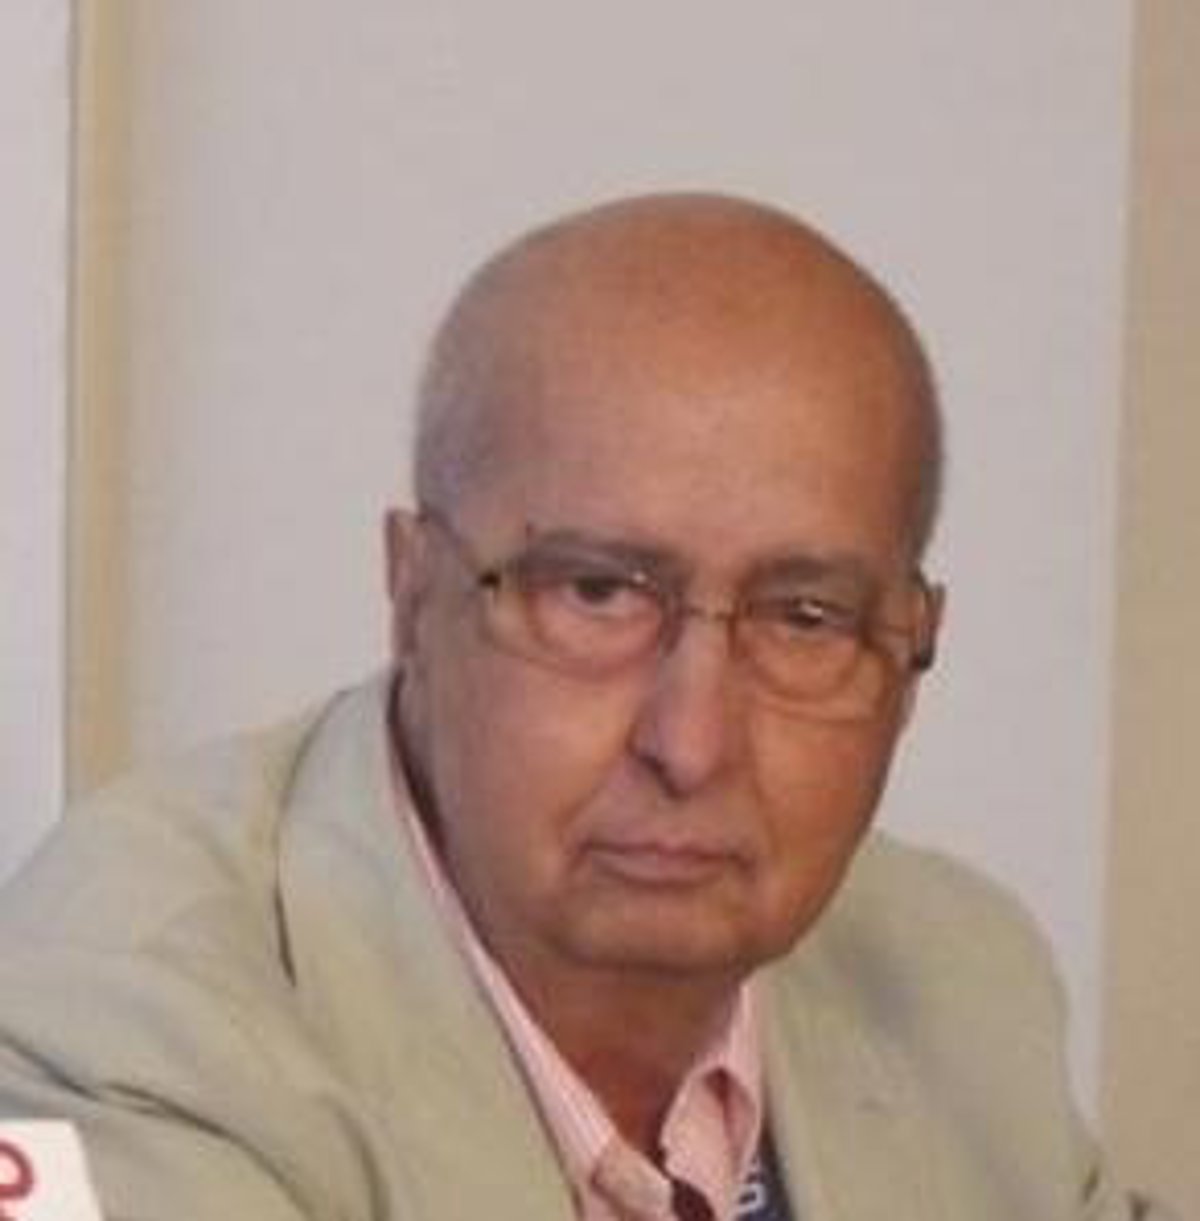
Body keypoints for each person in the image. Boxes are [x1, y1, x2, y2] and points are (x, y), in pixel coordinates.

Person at [0, 194, 1168, 1220]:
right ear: (415, 596)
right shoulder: (112, 1022)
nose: (691, 744)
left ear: (910, 652)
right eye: (598, 594)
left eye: (805, 617)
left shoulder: (955, 973)